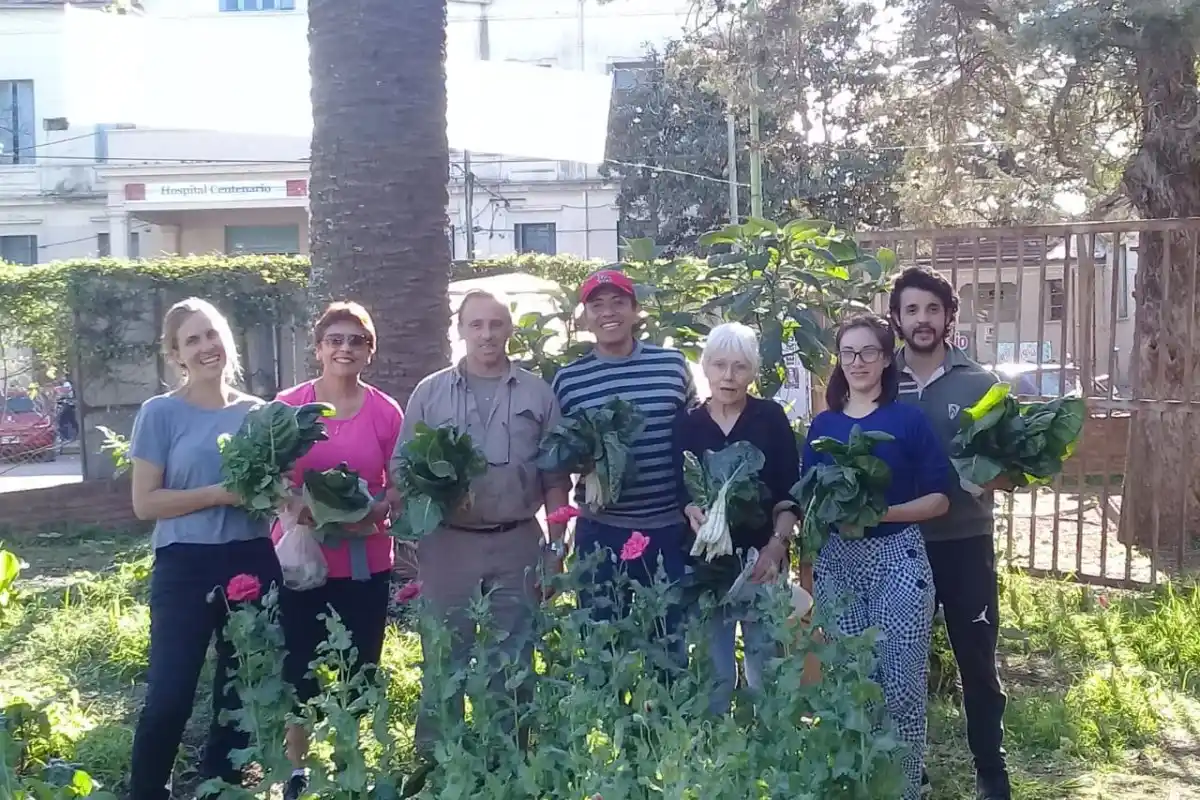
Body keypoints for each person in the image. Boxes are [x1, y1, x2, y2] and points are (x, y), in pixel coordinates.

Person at [392, 289, 571, 759]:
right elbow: (403, 467)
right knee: (443, 657)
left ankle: (508, 761)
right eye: (476, 325)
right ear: (460, 331)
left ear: (509, 330)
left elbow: (556, 478)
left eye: (496, 324)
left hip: (517, 544)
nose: (487, 334)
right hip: (447, 545)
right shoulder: (430, 392)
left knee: (511, 661)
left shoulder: (537, 392)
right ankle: (437, 763)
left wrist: (556, 547)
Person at [127, 298, 282, 800]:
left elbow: (271, 491)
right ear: (176, 354)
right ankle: (148, 790)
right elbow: (145, 503)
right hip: (184, 566)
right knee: (169, 695)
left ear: (227, 340)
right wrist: (218, 494)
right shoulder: (160, 413)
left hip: (251, 559)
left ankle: (221, 787)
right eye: (192, 340)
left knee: (240, 693)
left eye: (212, 334)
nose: (206, 346)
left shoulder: (259, 415)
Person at [801, 313, 950, 800]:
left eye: (869, 352)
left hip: (898, 560)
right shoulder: (824, 426)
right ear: (839, 361)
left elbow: (940, 499)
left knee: (902, 687)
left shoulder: (907, 420)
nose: (858, 361)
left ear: (887, 359)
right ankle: (859, 783)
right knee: (849, 682)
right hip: (839, 564)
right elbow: (809, 500)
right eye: (849, 353)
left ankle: (905, 788)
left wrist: (880, 514)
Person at [889, 266, 1013, 800]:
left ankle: (991, 768)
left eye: (932, 309)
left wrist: (992, 477)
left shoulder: (980, 383)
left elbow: (1011, 469)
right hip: (895, 547)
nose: (922, 319)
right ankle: (905, 770)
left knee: (977, 660)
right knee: (899, 665)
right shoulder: (879, 380)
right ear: (896, 318)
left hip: (964, 542)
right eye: (911, 309)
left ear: (948, 317)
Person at [273, 302, 404, 800]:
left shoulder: (384, 411)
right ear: (319, 347)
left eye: (357, 341)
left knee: (361, 665)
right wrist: (303, 508)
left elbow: (399, 483)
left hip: (365, 556)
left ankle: (350, 761)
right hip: (303, 558)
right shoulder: (289, 406)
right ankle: (297, 771)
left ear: (370, 351)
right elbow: (271, 475)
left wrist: (369, 512)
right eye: (335, 339)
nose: (345, 348)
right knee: (300, 667)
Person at [550, 269, 697, 662]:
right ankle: (610, 723)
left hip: (668, 530)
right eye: (597, 305)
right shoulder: (569, 381)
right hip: (601, 533)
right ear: (585, 316)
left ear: (636, 310)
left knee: (669, 651)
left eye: (618, 302)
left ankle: (664, 726)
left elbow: (696, 436)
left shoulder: (672, 366)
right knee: (602, 650)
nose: (607, 312)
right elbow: (560, 461)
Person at [672, 322, 800, 715]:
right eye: (720, 365)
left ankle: (773, 753)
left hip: (762, 564)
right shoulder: (687, 423)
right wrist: (690, 510)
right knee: (715, 674)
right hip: (708, 566)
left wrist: (776, 547)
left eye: (740, 367)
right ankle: (717, 761)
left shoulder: (770, 418)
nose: (729, 377)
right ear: (705, 368)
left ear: (753, 371)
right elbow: (679, 491)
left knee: (768, 668)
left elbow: (789, 492)